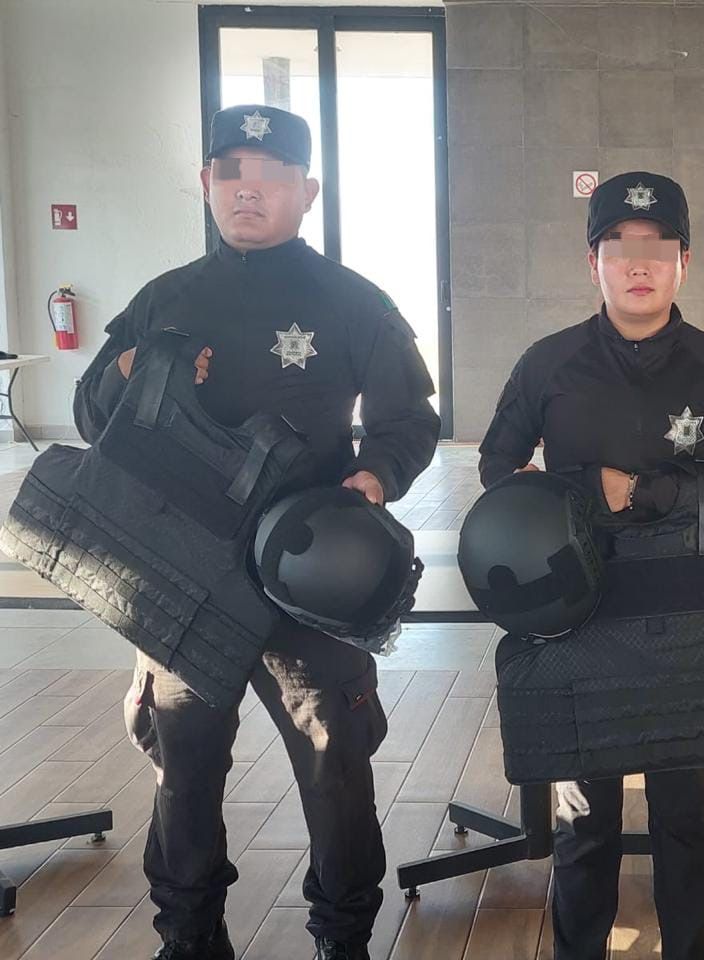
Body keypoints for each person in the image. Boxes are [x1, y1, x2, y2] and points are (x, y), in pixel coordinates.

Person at [73, 105, 441, 960]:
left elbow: (409, 420)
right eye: (231, 171)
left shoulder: (353, 301)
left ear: (307, 191)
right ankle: (189, 937)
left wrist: (374, 478)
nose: (248, 189)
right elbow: (93, 416)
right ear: (206, 182)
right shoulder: (164, 299)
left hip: (306, 576)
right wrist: (132, 365)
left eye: (272, 174)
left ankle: (343, 936)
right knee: (183, 771)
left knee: (335, 767)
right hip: (181, 578)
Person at [477, 171, 704, 960]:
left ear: (685, 261)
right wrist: (588, 489)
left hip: (689, 615)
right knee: (584, 821)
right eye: (617, 247)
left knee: (683, 815)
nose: (637, 263)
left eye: (657, 246)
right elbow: (497, 466)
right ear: (593, 263)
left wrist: (647, 493)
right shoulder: (548, 362)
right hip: (580, 613)